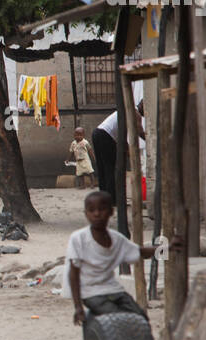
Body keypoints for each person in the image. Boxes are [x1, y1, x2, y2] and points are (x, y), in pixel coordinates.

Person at [64, 190, 166, 326]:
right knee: (118, 318)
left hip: (113, 289)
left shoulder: (116, 239)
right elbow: (73, 274)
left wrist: (167, 248)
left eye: (101, 209)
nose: (97, 214)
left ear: (111, 212)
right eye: (91, 210)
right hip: (90, 292)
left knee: (141, 318)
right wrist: (78, 306)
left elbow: (141, 252)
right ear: (86, 214)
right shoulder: (78, 239)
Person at [91, 103, 146, 205]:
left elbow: (122, 135)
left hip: (97, 133)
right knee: (110, 169)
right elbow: (140, 131)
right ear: (143, 106)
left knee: (102, 169)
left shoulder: (128, 110)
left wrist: (127, 148)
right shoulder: (135, 113)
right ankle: (112, 200)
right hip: (105, 136)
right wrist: (151, 141)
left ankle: (104, 198)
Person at [69, 126, 96, 190]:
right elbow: (71, 152)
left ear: (83, 135)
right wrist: (68, 159)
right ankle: (82, 185)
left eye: (80, 135)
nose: (78, 137)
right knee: (80, 174)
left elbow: (90, 150)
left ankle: (92, 183)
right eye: (76, 135)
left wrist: (94, 158)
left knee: (90, 172)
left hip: (85, 160)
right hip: (78, 161)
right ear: (74, 135)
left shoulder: (85, 142)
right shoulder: (73, 143)